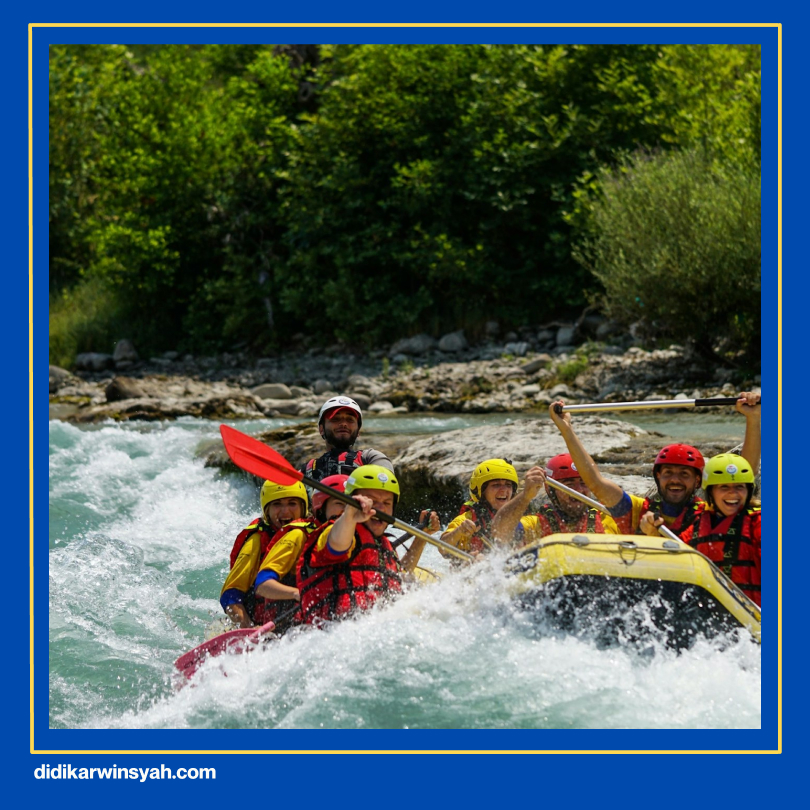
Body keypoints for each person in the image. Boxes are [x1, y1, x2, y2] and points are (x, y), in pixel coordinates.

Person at [547, 392, 761, 535]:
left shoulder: (710, 513)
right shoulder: (634, 510)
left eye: (684, 474)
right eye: (668, 472)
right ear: (657, 477)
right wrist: (566, 429)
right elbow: (595, 482)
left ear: (698, 481)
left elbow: (742, 476)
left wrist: (753, 419)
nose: (675, 480)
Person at [640, 453, 761, 606]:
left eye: (740, 487)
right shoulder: (699, 522)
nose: (733, 493)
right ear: (710, 493)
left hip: (751, 616)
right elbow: (670, 558)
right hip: (709, 615)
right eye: (724, 487)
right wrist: (653, 534)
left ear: (748, 491)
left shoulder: (757, 523)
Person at [296, 465, 405, 624]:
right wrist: (349, 516)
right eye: (372, 501)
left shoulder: (384, 544)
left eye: (387, 502)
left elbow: (401, 581)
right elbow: (337, 545)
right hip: (330, 634)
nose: (380, 508)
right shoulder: (336, 530)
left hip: (379, 631)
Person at [251, 474, 351, 631]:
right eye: (340, 503)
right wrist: (297, 593)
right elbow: (262, 584)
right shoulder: (297, 535)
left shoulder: (362, 536)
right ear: (321, 508)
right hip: (289, 628)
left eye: (351, 504)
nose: (347, 511)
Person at [219, 480, 309, 628]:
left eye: (292, 503)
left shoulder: (311, 532)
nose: (285, 511)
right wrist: (248, 628)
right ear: (267, 510)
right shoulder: (257, 541)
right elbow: (230, 596)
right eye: (277, 504)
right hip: (259, 624)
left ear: (303, 507)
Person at [491, 453, 620, 545]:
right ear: (551, 491)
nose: (579, 490)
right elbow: (499, 532)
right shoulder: (537, 525)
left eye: (583, 483)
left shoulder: (609, 517)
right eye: (569, 485)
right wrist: (525, 496)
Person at [439, 458, 526, 559]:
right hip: (471, 569)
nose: (504, 490)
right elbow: (442, 548)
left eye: (508, 485)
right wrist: (459, 531)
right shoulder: (467, 519)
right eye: (496, 485)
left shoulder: (518, 517)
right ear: (482, 491)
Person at [301, 396, 394, 481]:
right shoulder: (307, 470)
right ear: (321, 429)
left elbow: (386, 487)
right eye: (335, 419)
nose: (343, 424)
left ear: (358, 430)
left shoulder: (371, 459)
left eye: (350, 420)